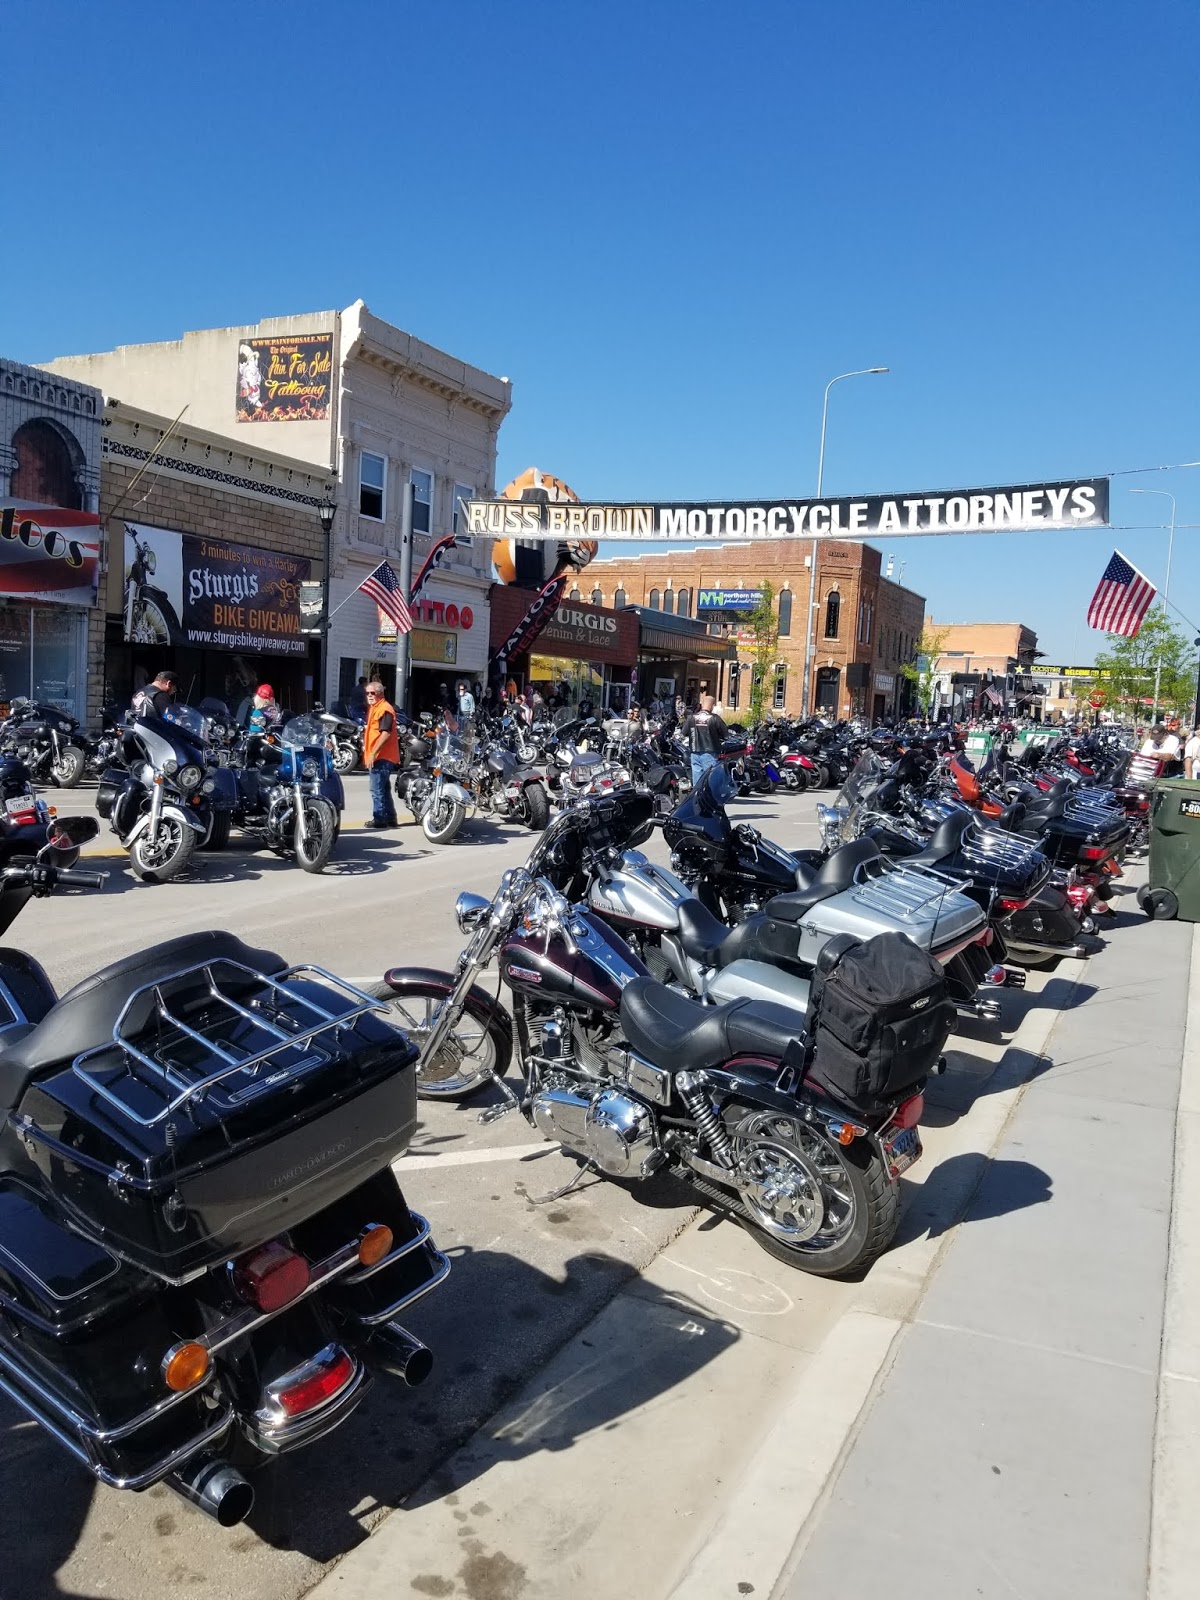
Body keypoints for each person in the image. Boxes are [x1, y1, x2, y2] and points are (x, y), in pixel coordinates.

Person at [363, 679, 400, 828]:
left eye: (373, 693)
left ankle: (379, 819)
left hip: (382, 756)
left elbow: (385, 734)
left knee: (376, 788)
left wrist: (373, 754)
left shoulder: (385, 709)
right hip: (380, 755)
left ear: (380, 693)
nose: (370, 696)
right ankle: (390, 817)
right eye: (367, 693)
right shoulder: (375, 708)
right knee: (383, 788)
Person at [681, 693, 729, 789]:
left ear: (702, 704)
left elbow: (683, 733)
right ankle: (711, 801)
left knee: (697, 783)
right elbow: (726, 735)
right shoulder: (715, 718)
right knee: (711, 781)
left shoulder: (691, 717)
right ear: (712, 706)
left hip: (694, 752)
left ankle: (698, 800)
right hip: (710, 752)